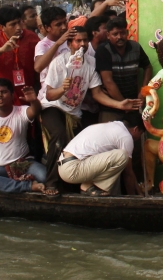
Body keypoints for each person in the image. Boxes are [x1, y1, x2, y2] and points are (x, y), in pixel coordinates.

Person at [40, 29, 140, 189]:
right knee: (59, 136)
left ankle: (80, 187)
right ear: (69, 44)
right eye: (78, 41)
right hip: (53, 107)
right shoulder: (59, 62)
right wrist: (61, 89)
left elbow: (97, 93)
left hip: (74, 113)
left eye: (85, 40)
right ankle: (51, 184)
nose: (82, 45)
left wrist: (119, 104)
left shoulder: (91, 63)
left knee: (83, 147)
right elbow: (50, 95)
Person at [0, 5, 37, 110]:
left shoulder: (32, 37)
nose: (18, 27)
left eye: (19, 22)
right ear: (2, 27)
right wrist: (0, 50)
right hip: (1, 95)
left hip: (26, 93)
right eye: (13, 24)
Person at [96, 15, 151, 124]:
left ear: (127, 32)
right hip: (111, 107)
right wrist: (123, 104)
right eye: (115, 34)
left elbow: (148, 67)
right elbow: (108, 81)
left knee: (134, 137)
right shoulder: (103, 50)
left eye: (122, 33)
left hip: (134, 104)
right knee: (110, 138)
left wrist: (143, 90)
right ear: (108, 35)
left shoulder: (135, 47)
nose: (119, 37)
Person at [57, 119, 136, 195]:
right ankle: (92, 187)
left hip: (63, 166)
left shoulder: (106, 126)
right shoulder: (125, 136)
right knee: (122, 155)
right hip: (73, 168)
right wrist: (135, 196)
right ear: (135, 129)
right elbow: (128, 174)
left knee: (112, 161)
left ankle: (89, 185)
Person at [32, 6, 70, 74]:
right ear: (47, 28)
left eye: (65, 22)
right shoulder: (42, 45)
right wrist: (57, 44)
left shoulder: (72, 40)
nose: (64, 27)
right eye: (58, 25)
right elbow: (38, 67)